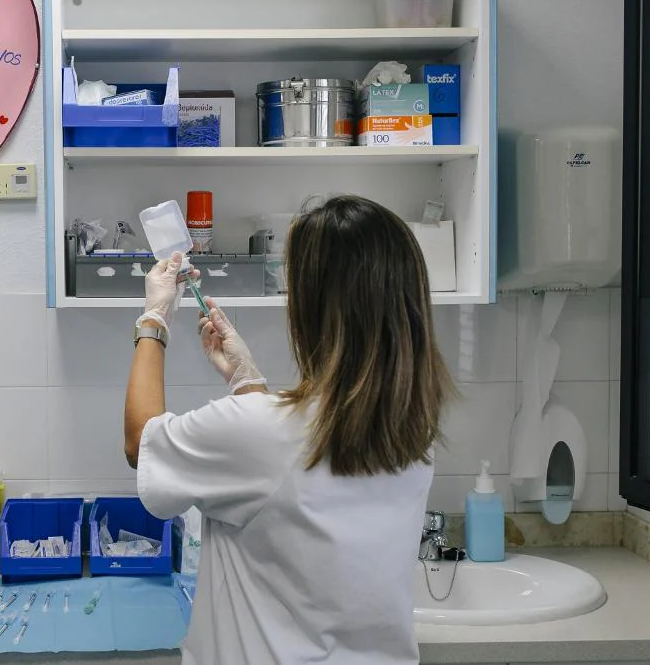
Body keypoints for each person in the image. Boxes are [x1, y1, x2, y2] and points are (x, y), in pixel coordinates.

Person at [124, 195, 454, 665]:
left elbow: (142, 442)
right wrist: (249, 381)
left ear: (314, 306)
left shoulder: (264, 433)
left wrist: (153, 320)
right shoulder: (413, 436)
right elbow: (289, 482)